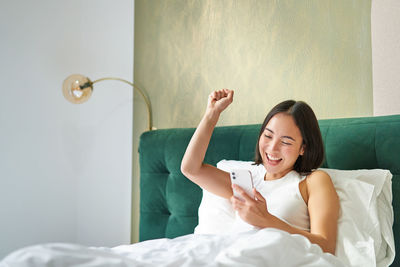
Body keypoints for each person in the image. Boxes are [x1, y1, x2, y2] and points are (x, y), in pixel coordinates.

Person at [181, 89, 340, 254]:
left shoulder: (313, 181)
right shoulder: (248, 181)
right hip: (233, 255)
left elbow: (326, 246)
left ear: (303, 148)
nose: (272, 148)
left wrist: (266, 220)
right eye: (268, 136)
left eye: (285, 142)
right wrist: (212, 114)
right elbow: (191, 169)